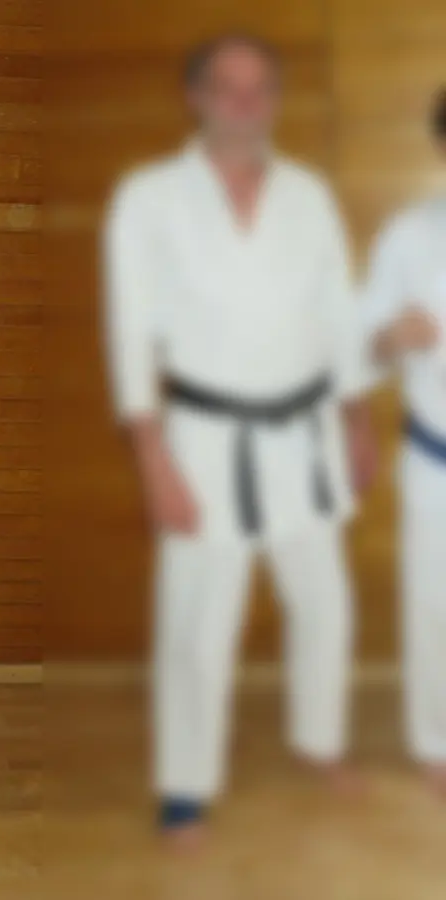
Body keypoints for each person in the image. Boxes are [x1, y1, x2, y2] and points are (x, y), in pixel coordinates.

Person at [101, 33, 376, 849]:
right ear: (197, 96)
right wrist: (152, 457)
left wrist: (357, 418)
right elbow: (129, 335)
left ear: (276, 101)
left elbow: (340, 312)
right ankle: (185, 784)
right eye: (230, 88)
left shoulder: (308, 195)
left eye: (261, 90)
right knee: (197, 616)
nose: (247, 105)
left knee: (323, 600)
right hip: (203, 436)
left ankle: (320, 739)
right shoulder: (151, 198)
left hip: (306, 429)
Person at [360, 86, 446, 799]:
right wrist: (395, 335)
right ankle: (437, 744)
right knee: (432, 605)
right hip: (434, 456)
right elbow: (361, 344)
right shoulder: (410, 238)